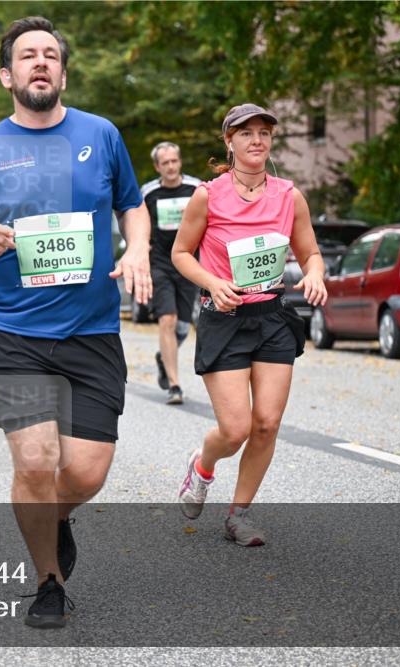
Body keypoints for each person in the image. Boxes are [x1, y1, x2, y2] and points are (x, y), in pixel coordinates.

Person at [0, 16, 150, 629]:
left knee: (84, 471)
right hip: (12, 335)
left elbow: (131, 206)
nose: (40, 63)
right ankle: (48, 581)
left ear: (61, 71)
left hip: (91, 333)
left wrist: (137, 249)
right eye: (27, 55)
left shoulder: (101, 135)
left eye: (50, 55)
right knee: (34, 463)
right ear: (8, 75)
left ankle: (56, 517)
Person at [172, 104, 327, 546]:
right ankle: (203, 464)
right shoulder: (208, 195)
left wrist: (314, 274)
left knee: (266, 425)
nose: (256, 140)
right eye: (246, 133)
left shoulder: (288, 195)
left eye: (264, 132)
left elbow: (310, 252)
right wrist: (213, 282)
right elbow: (181, 253)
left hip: (273, 316)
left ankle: (238, 515)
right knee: (236, 428)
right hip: (225, 318)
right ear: (230, 141)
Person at [140, 142, 203, 405]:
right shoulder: (148, 192)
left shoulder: (196, 188)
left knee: (182, 326)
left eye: (174, 161)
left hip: (188, 261)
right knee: (167, 319)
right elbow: (136, 222)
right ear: (158, 167)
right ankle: (175, 385)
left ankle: (164, 358)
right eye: (165, 163)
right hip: (160, 263)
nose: (171, 167)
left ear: (180, 161)